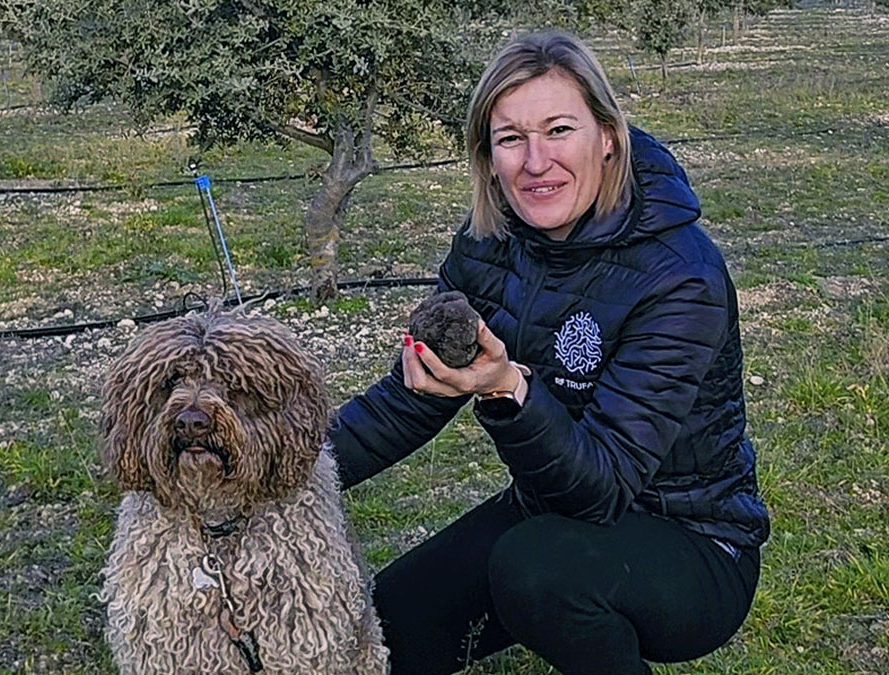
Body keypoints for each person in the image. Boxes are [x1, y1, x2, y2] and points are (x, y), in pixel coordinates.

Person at [328, 30, 771, 675]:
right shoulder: (489, 241)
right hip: (551, 505)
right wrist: (280, 464)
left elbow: (605, 488)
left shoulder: (680, 276)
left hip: (691, 540)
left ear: (609, 135)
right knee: (384, 632)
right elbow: (409, 399)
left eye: (559, 129)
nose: (536, 161)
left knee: (537, 571)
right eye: (511, 138)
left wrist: (510, 389)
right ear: (489, 156)